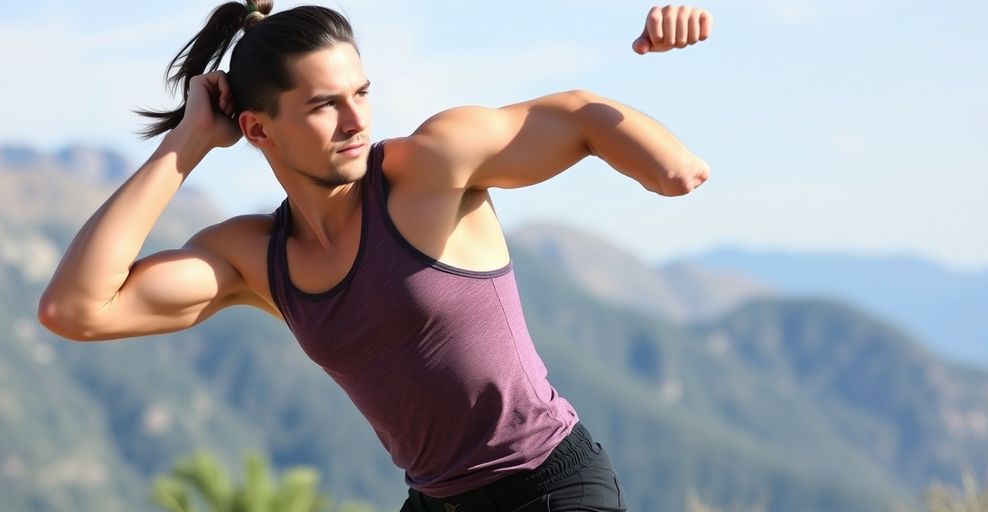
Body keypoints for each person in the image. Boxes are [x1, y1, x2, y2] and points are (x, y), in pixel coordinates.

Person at [38, 2, 712, 511]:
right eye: (325, 106)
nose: (357, 120)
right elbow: (76, 309)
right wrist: (184, 143)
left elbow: (580, 113)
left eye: (361, 93)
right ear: (256, 128)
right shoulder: (252, 257)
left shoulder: (429, 168)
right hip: (432, 499)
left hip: (549, 488)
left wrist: (670, 166)